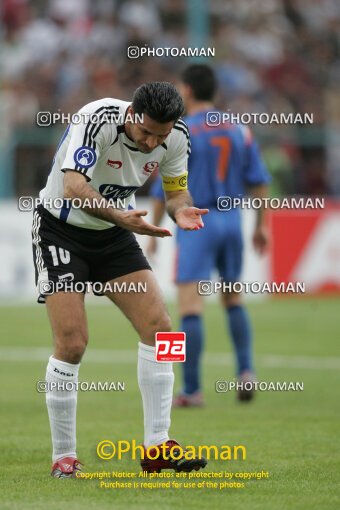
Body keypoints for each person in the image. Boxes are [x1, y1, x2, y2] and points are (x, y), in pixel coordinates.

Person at [32, 82, 209, 477]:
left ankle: (158, 444)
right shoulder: (97, 118)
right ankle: (64, 456)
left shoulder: (176, 136)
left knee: (163, 330)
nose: (151, 144)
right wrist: (119, 216)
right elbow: (73, 186)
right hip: (60, 230)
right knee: (73, 343)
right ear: (132, 114)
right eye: (146, 132)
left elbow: (176, 192)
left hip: (113, 234)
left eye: (159, 136)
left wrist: (180, 211)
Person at [147, 65, 270, 406]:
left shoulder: (180, 131)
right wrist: (262, 225)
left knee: (190, 304)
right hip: (233, 219)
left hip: (195, 219)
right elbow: (259, 180)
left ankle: (191, 390)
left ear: (186, 90)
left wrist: (155, 231)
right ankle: (246, 371)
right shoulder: (239, 129)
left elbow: (165, 189)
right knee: (233, 298)